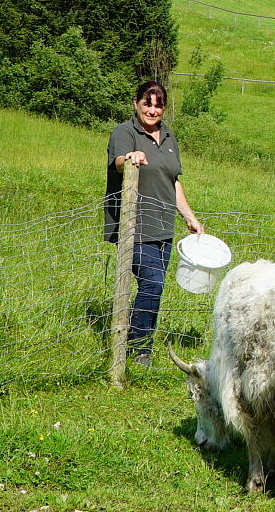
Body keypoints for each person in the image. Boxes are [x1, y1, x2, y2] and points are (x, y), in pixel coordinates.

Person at [104, 80, 203, 367]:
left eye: (158, 104)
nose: (152, 109)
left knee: (155, 288)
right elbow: (119, 162)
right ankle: (140, 349)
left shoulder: (169, 137)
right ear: (135, 103)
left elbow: (173, 182)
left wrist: (189, 216)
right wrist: (131, 157)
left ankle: (140, 342)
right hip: (133, 225)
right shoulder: (124, 132)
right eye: (147, 103)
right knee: (152, 282)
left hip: (163, 226)